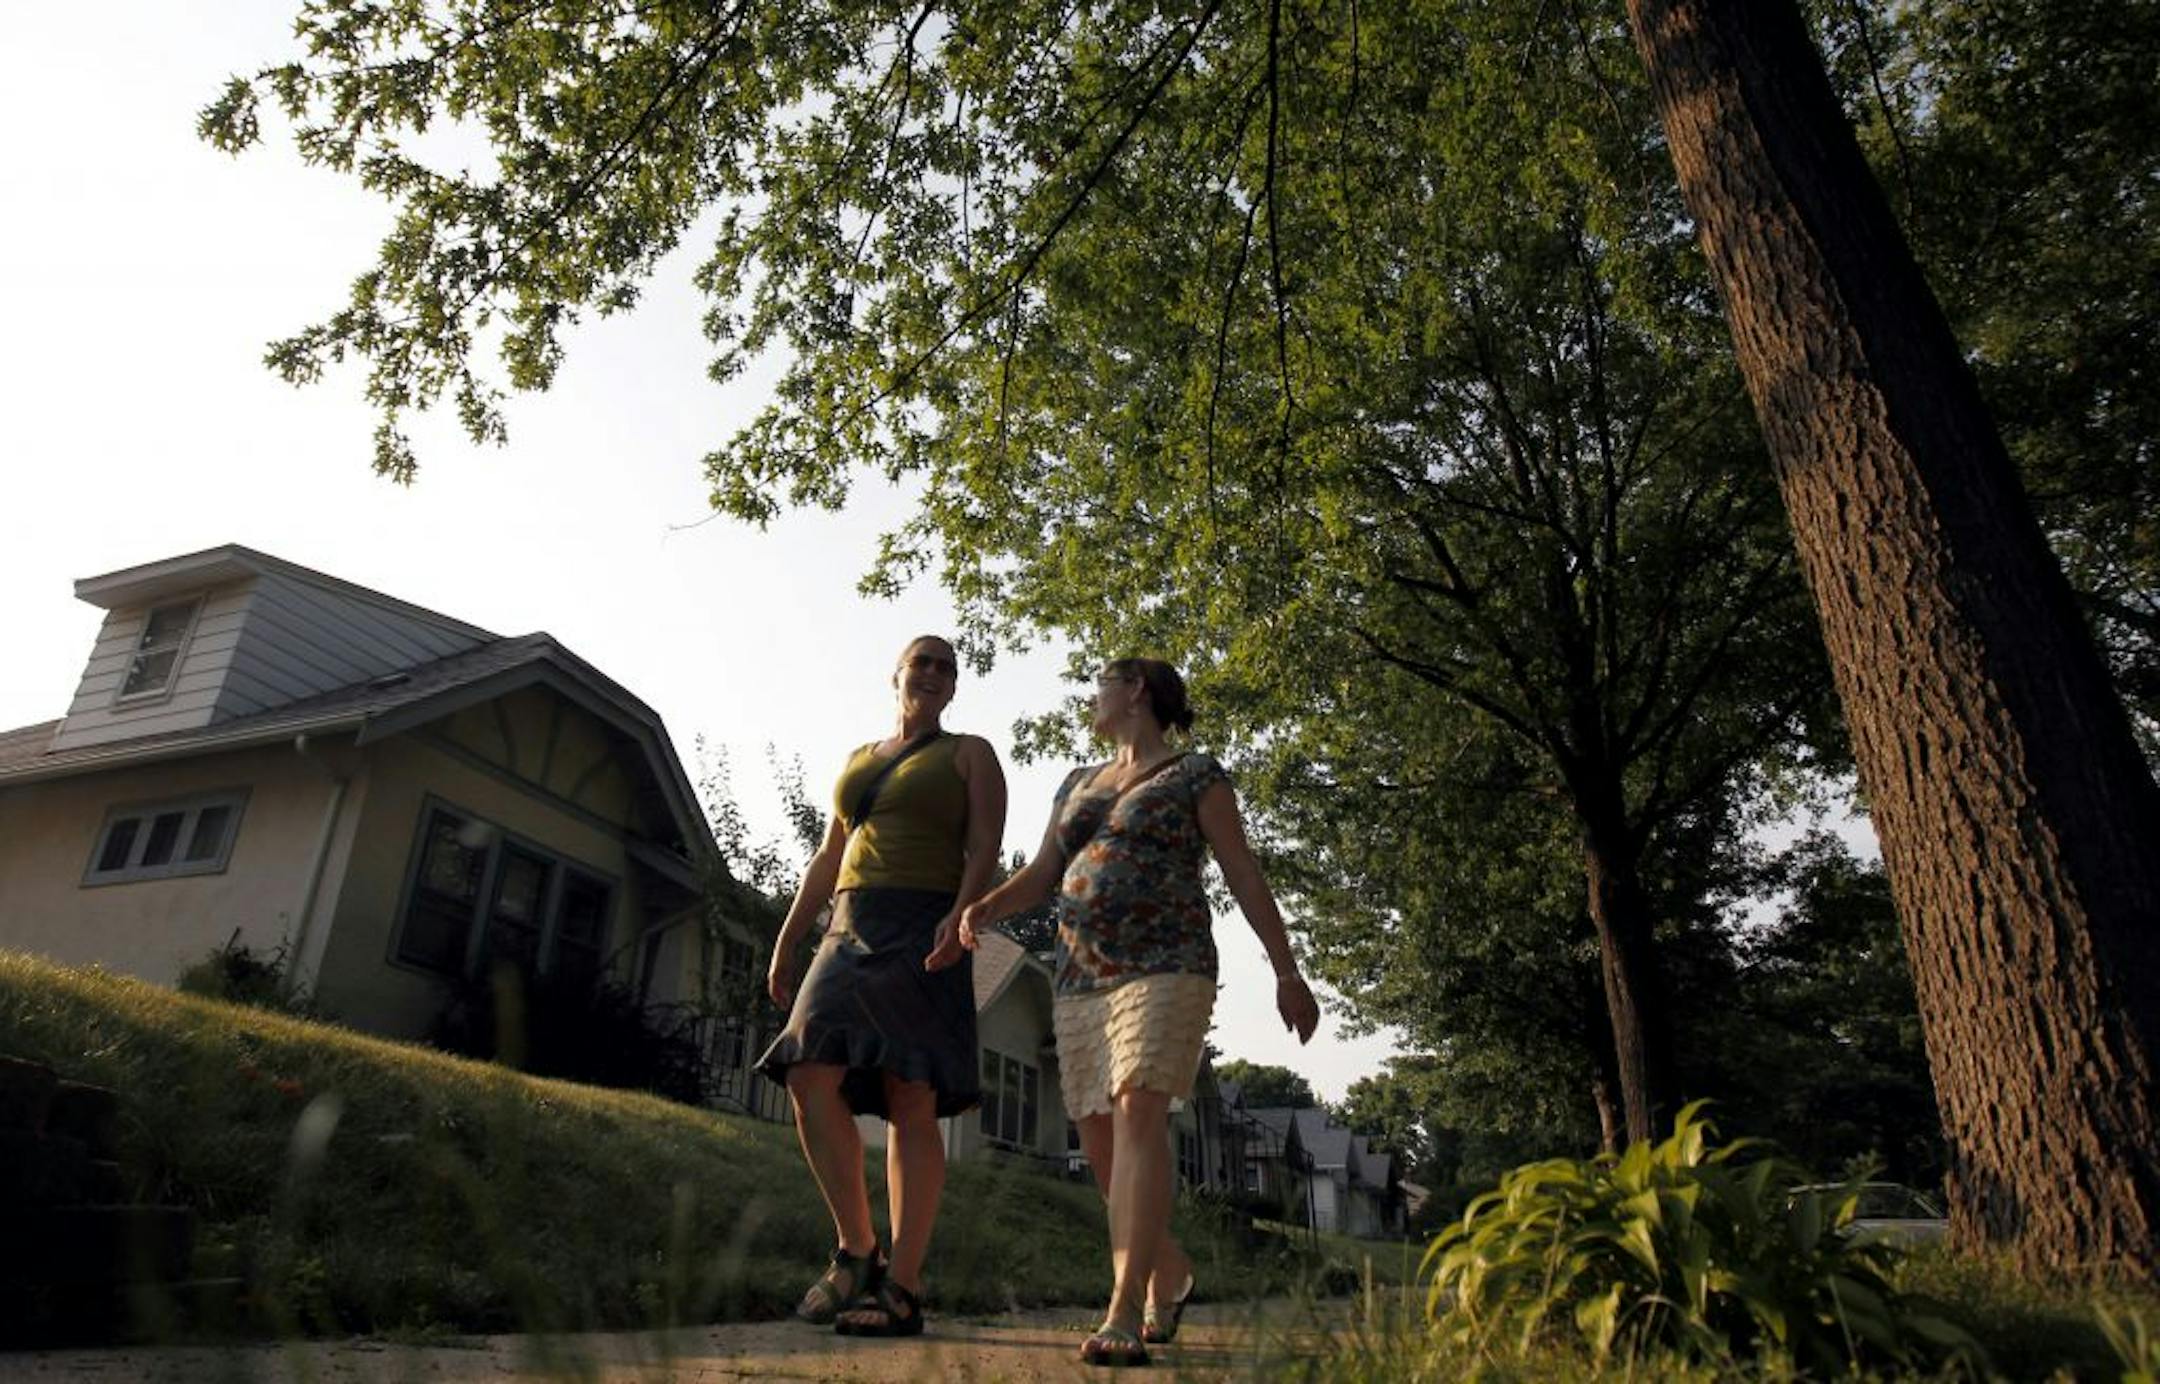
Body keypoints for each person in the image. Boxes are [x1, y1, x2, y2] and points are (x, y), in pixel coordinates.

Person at [958, 656, 1320, 1368]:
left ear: (1135, 691)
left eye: (1101, 684)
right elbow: (1042, 876)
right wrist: (982, 908)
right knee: (1098, 1144)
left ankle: (1125, 1309)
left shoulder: (1196, 775)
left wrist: (1287, 969)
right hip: (1080, 973)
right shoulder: (1077, 781)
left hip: (1167, 963)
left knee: (1138, 1110)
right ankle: (1170, 1270)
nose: (1092, 696)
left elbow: (1242, 869)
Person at [755, 635, 1006, 1337]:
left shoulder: (969, 754)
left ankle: (903, 1284)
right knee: (808, 1072)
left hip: (925, 920)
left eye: (945, 667)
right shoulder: (860, 759)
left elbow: (985, 842)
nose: (932, 672)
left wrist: (961, 914)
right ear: (894, 675)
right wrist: (788, 939)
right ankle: (857, 1247)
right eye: (921, 661)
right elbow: (828, 855)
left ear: (954, 689)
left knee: (910, 1096)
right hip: (850, 923)